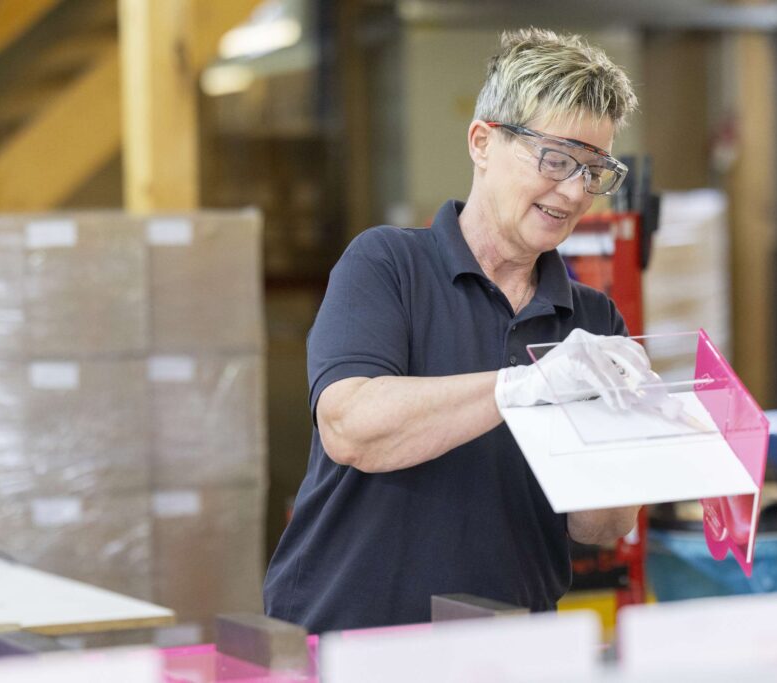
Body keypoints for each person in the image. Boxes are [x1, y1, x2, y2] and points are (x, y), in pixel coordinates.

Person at [263, 27, 641, 633]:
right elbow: (351, 426)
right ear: (482, 142)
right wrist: (523, 387)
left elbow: (598, 527)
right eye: (556, 159)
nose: (573, 192)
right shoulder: (386, 265)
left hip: (507, 647)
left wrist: (636, 437)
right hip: (349, 642)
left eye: (594, 169)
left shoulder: (592, 323)